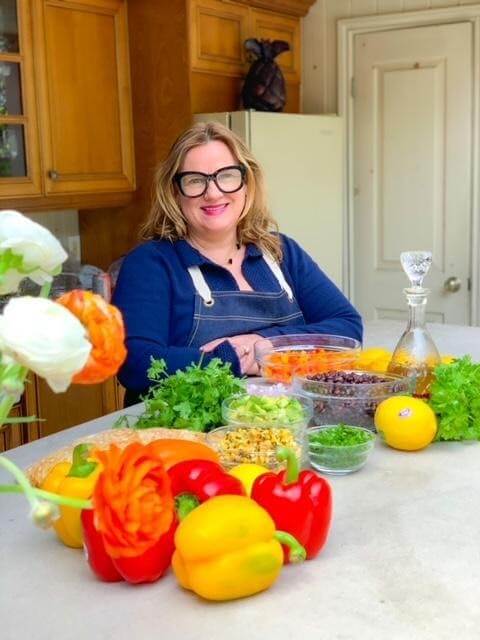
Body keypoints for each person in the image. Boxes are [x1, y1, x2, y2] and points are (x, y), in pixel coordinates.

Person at [113, 122, 363, 405]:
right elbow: (135, 364)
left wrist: (265, 345)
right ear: (174, 192)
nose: (213, 193)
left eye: (227, 176)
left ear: (247, 183)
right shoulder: (151, 264)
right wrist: (229, 359)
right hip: (184, 437)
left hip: (286, 424)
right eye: (195, 180)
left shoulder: (281, 252)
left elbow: (347, 329)